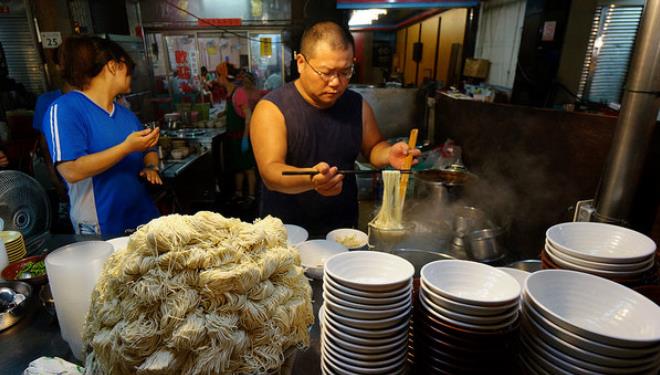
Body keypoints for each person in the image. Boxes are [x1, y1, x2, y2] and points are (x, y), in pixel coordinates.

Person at [250, 21, 420, 235]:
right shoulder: (273, 109)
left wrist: (389, 154)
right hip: (286, 232)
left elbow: (374, 147)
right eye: (326, 72)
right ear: (301, 62)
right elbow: (271, 172)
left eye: (345, 72)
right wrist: (313, 180)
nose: (336, 82)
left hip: (342, 231)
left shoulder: (357, 105)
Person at [42, 36, 161, 236]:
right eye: (127, 65)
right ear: (113, 66)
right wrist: (126, 148)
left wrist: (151, 166)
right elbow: (71, 170)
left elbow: (149, 148)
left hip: (142, 218)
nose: (131, 72)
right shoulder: (65, 109)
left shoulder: (126, 114)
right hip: (101, 225)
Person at [226, 71, 261, 204]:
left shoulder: (248, 93)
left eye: (247, 79)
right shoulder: (238, 92)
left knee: (248, 167)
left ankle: (251, 196)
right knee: (238, 167)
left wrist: (246, 138)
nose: (245, 81)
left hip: (246, 133)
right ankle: (239, 193)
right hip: (236, 136)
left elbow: (249, 116)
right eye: (243, 79)